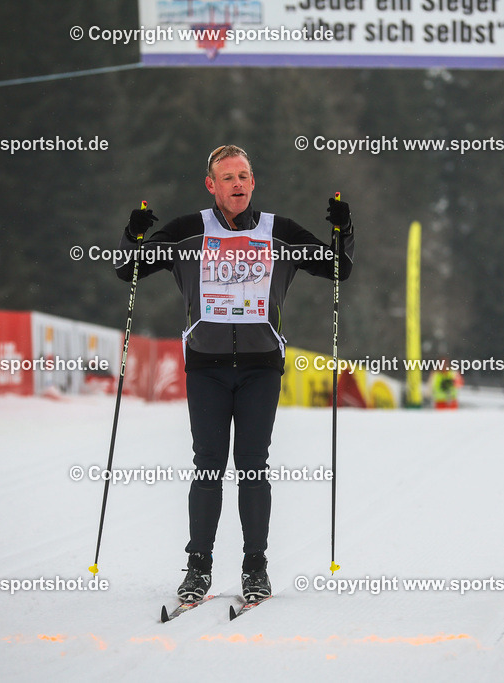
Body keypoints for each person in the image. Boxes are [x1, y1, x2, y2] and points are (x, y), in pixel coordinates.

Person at [115, 145, 355, 604]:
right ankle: (198, 568)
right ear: (211, 185)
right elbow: (129, 270)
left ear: (253, 181)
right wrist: (134, 235)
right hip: (206, 366)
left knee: (252, 466)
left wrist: (344, 230)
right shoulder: (188, 230)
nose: (238, 184)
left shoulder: (278, 230)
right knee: (207, 466)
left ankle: (255, 567)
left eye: (244, 176)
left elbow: (339, 268)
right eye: (228, 178)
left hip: (261, 366)